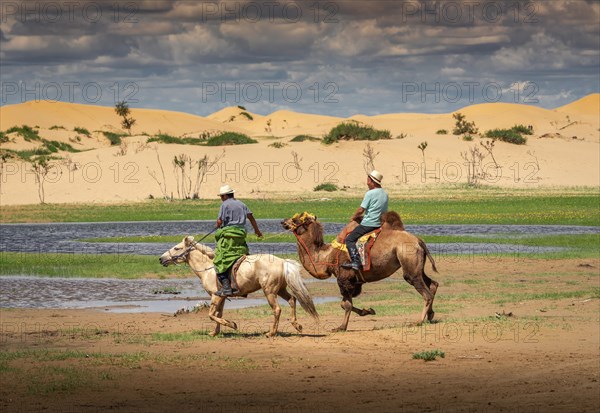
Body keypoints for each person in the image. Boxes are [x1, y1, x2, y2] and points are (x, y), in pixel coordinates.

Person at [213, 185, 263, 297]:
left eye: (221, 196)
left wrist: (217, 226)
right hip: (240, 235)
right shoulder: (242, 204)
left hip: (228, 236)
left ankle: (226, 287)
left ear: (225, 195)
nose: (221, 198)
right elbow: (251, 217)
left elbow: (220, 221)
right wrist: (257, 231)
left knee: (219, 260)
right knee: (241, 253)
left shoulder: (224, 205)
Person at [341, 170, 388, 271]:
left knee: (349, 239)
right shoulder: (385, 194)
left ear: (372, 181)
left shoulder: (370, 193)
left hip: (369, 224)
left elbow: (361, 210)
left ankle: (355, 262)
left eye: (368, 180)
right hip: (379, 224)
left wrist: (353, 217)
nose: (367, 183)